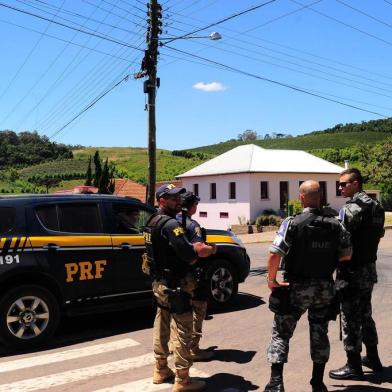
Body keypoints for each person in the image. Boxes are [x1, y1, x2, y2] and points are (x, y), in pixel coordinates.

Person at [264, 180, 352, 392]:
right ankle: (317, 382)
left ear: (301, 197)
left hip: (296, 288)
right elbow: (347, 254)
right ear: (320, 197)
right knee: (320, 332)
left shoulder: (292, 223)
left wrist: (271, 280)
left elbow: (275, 254)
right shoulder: (335, 223)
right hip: (324, 289)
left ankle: (276, 383)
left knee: (281, 333)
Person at [143, 184, 216, 392]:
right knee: (184, 329)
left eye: (178, 197)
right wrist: (208, 250)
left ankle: (160, 369)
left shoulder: (150, 221)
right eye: (173, 198)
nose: (178, 201)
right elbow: (190, 256)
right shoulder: (170, 224)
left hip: (159, 283)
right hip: (176, 284)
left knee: (161, 324)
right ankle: (183, 380)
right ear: (162, 200)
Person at [329, 168, 385, 380]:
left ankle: (353, 365)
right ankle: (373, 357)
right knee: (366, 314)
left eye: (343, 184)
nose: (340, 188)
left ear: (355, 184)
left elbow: (339, 239)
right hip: (368, 269)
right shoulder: (377, 207)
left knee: (350, 318)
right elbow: (378, 235)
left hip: (351, 271)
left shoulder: (351, 208)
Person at [176, 191, 216, 361]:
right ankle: (194, 348)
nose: (196, 207)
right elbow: (200, 250)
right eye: (195, 204)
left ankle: (177, 345)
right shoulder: (193, 225)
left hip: (175, 275)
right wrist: (213, 249)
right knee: (198, 309)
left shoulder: (171, 222)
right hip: (192, 275)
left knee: (177, 314)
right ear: (191, 206)